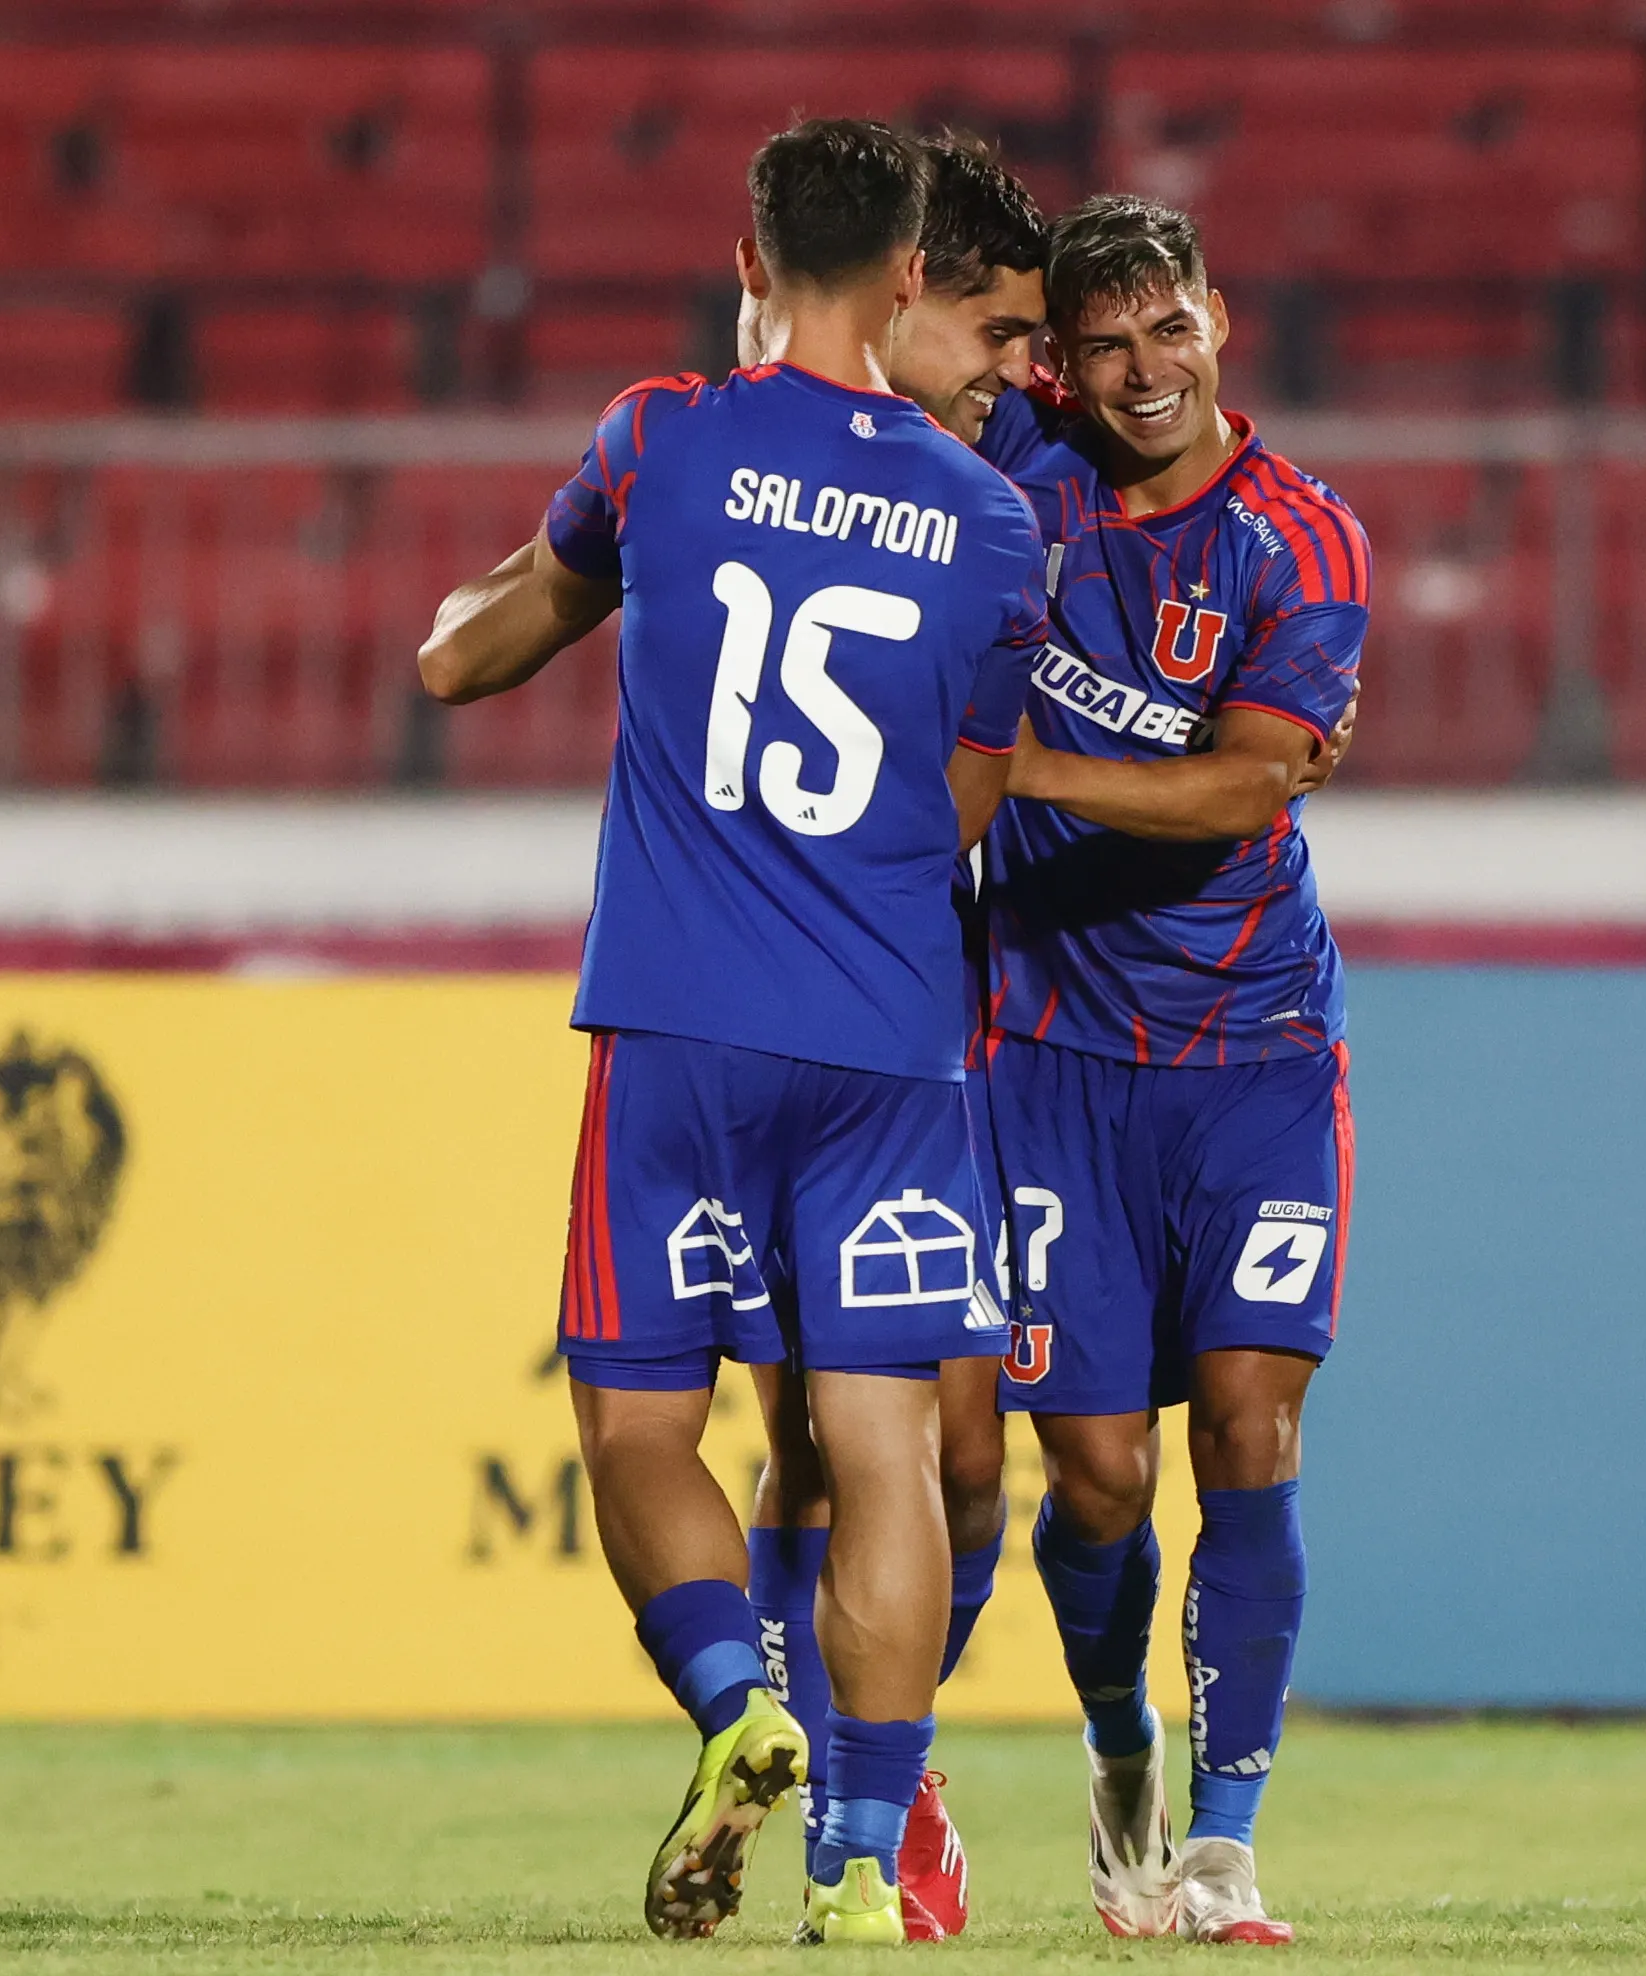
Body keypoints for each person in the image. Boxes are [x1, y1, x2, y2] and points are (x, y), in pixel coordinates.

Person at [416, 117, 1047, 1948]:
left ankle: (734, 1706)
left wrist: (470, 625)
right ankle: (861, 1858)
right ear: (916, 274)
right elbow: (972, 802)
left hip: (675, 1029)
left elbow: (474, 652)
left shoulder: (662, 436)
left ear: (752, 253)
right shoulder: (993, 519)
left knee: (639, 1434)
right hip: (887, 1040)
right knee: (882, 1453)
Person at [981, 193, 1369, 1947]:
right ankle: (1120, 1735)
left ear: (1224, 315)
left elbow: (1244, 784)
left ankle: (1224, 1842)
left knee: (1245, 1427)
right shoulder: (1013, 464)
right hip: (1049, 1046)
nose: (1146, 372)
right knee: (1098, 1477)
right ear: (1062, 357)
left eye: (1173, 330)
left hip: (1257, 1048)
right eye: (1107, 343)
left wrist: (1016, 772)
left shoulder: (1298, 540)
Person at [741, 128, 1051, 1945]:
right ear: (913, 287)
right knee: (831, 1429)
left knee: (972, 1451)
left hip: (1026, 1014)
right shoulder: (812, 442)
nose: (1017, 375)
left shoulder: (1027, 472)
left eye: (1038, 345)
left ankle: (887, 1737)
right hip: (871, 1009)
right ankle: (863, 1790)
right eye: (999, 334)